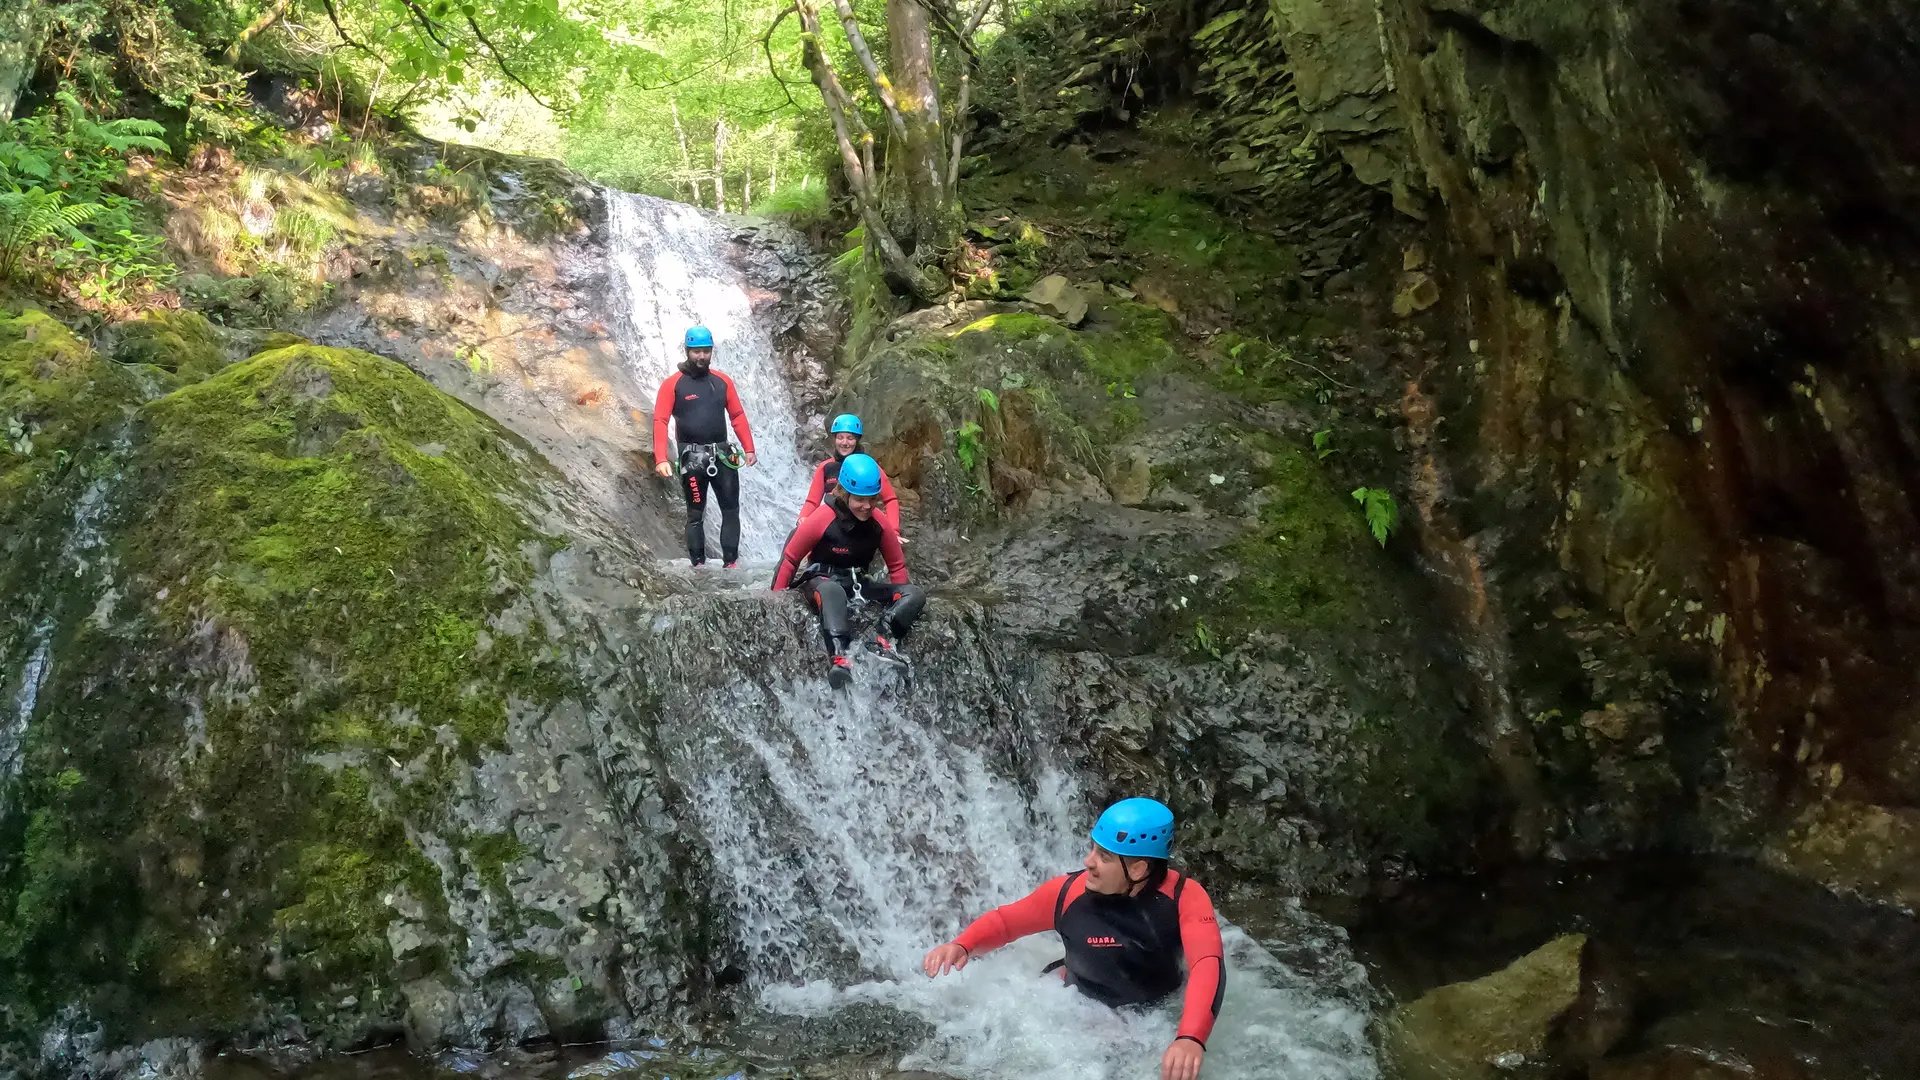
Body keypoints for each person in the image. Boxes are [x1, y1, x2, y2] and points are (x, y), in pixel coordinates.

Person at [921, 798, 1224, 1080]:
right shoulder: (1067, 892)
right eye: (1092, 849)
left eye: (1103, 856)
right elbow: (1006, 923)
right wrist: (962, 945)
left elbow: (1207, 965)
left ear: (1138, 868)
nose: (1088, 861)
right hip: (1074, 1008)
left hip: (1155, 1015)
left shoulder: (1185, 897)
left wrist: (1189, 1037)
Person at [772, 453, 926, 688]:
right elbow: (790, 559)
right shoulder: (823, 517)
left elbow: (896, 566)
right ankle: (839, 656)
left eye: (872, 499)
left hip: (858, 583)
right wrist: (775, 600)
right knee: (833, 590)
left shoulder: (879, 522)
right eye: (860, 499)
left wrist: (898, 606)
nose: (867, 506)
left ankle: (881, 638)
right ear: (844, 493)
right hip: (821, 581)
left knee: (914, 594)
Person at [652, 325, 757, 568]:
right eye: (696, 351)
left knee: (731, 510)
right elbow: (660, 420)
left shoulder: (722, 382)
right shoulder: (673, 384)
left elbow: (737, 415)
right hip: (692, 459)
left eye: (706, 351)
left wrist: (749, 448)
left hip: (722, 455)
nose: (701, 357)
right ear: (687, 351)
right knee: (695, 515)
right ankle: (698, 565)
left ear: (712, 351)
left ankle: (731, 563)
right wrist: (661, 458)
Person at [799, 413, 899, 529]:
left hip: (863, 527)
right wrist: (803, 517)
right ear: (834, 440)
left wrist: (894, 531)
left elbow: (890, 499)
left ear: (857, 440)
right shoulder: (826, 467)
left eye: (850, 438)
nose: (844, 443)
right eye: (840, 438)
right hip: (833, 528)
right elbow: (812, 501)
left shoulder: (869, 467)